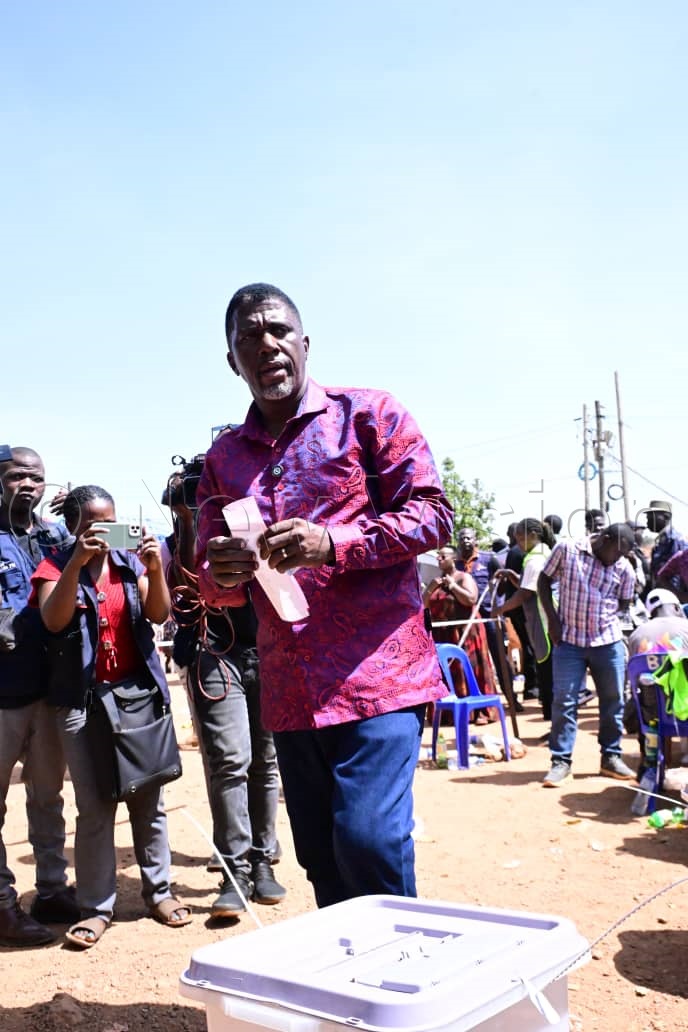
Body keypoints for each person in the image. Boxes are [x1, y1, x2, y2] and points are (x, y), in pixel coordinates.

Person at [196, 282, 453, 907]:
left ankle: (405, 978)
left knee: (367, 842)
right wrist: (222, 571)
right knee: (321, 859)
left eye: (278, 331)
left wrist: (333, 542)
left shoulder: (368, 415)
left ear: (304, 343)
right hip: (291, 689)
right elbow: (210, 582)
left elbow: (434, 516)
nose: (267, 345)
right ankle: (349, 994)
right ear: (233, 360)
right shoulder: (224, 459)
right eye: (249, 337)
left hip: (378, 678)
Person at [31, 485, 191, 948]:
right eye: (95, 525)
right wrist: (76, 564)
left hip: (136, 698)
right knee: (95, 807)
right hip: (81, 705)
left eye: (112, 522)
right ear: (75, 527)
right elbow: (53, 621)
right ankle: (97, 908)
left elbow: (158, 614)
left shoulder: (130, 565)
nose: (105, 533)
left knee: (148, 799)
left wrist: (156, 569)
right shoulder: (55, 565)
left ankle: (159, 892)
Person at [162, 479, 285, 919]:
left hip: (267, 649)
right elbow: (185, 591)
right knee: (230, 761)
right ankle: (234, 871)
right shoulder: (175, 543)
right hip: (215, 655)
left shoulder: (260, 521)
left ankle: (263, 861)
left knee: (266, 762)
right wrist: (187, 523)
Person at [0, 445, 79, 948]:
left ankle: (51, 891)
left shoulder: (54, 536)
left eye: (37, 477)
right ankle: (2, 906)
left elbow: (119, 547)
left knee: (48, 798)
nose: (28, 484)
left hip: (48, 692)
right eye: (17, 476)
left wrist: (83, 521)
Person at [537, 523, 636, 787]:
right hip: (568, 641)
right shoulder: (568, 550)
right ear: (603, 540)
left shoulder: (624, 567)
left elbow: (625, 602)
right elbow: (543, 580)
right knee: (564, 701)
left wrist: (605, 613)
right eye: (616, 552)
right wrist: (553, 620)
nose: (618, 558)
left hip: (608, 641)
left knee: (613, 699)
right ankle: (561, 761)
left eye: (623, 555)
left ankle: (611, 757)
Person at [423, 545, 498, 723]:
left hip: (465, 632)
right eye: (438, 557)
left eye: (443, 556)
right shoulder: (436, 580)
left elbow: (471, 599)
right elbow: (424, 605)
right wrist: (431, 588)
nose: (439, 559)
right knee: (448, 672)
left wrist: (454, 586)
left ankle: (478, 711)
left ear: (453, 559)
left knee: (469, 668)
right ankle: (450, 714)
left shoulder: (463, 577)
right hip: (443, 633)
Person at [494, 518, 555, 721]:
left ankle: (551, 716)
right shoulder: (544, 551)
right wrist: (512, 575)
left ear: (533, 536)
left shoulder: (534, 559)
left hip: (542, 619)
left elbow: (524, 594)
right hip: (549, 616)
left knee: (546, 668)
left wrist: (500, 609)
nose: (518, 543)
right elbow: (526, 583)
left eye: (521, 538)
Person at [455, 527, 509, 695]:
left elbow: (503, 583)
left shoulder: (489, 559)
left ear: (476, 540)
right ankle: (478, 697)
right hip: (467, 618)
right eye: (462, 538)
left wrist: (498, 606)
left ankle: (511, 697)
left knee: (500, 657)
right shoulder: (455, 564)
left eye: (469, 538)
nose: (466, 541)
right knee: (473, 659)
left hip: (489, 616)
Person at [646, 500, 688, 598]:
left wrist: (679, 597)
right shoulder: (660, 542)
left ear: (666, 517)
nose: (648, 519)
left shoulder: (675, 540)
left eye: (652, 516)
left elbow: (679, 577)